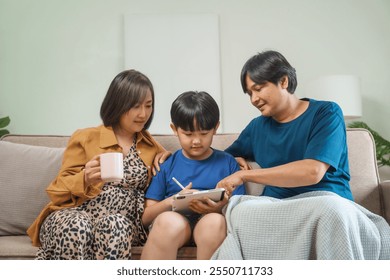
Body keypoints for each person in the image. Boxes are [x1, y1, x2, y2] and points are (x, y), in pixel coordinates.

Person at [211, 50, 390, 259]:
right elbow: (216, 160)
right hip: (278, 209)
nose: (254, 99)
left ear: (284, 81)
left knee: (331, 209)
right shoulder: (257, 127)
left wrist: (245, 175)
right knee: (239, 211)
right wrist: (166, 155)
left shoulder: (326, 113)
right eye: (249, 93)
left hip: (324, 201)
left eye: (258, 89)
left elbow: (312, 171)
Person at [27, 69, 170, 260]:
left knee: (117, 225)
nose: (143, 114)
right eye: (136, 106)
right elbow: (57, 189)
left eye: (148, 105)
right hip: (75, 214)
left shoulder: (151, 146)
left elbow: (173, 170)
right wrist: (84, 178)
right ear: (118, 104)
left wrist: (168, 156)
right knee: (77, 225)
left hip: (122, 223)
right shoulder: (86, 137)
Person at [140, 91, 246, 260]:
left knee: (215, 222)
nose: (196, 141)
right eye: (188, 134)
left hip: (210, 225)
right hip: (174, 224)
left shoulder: (228, 163)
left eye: (203, 133)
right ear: (174, 130)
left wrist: (219, 207)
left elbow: (240, 213)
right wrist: (174, 200)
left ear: (215, 128)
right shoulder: (166, 165)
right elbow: (145, 218)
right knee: (168, 221)